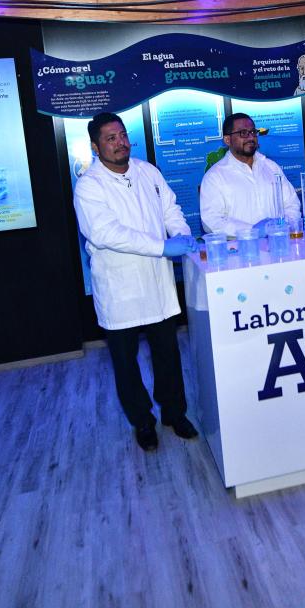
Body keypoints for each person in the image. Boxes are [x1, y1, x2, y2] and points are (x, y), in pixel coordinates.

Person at [73, 111, 200, 451]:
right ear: (96, 147)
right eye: (110, 139)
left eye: (123, 135)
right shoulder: (89, 185)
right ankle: (143, 421)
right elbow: (105, 233)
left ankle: (174, 413)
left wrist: (181, 235)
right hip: (120, 287)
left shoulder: (148, 172)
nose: (120, 143)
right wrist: (162, 246)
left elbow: (171, 209)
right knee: (126, 362)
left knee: (168, 353)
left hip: (156, 282)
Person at [199, 112, 300, 236]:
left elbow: (291, 204)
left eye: (253, 132)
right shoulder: (215, 176)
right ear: (227, 140)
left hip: (277, 243)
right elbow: (211, 221)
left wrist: (283, 225)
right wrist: (252, 231)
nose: (251, 137)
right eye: (243, 133)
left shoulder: (271, 167)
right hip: (239, 246)